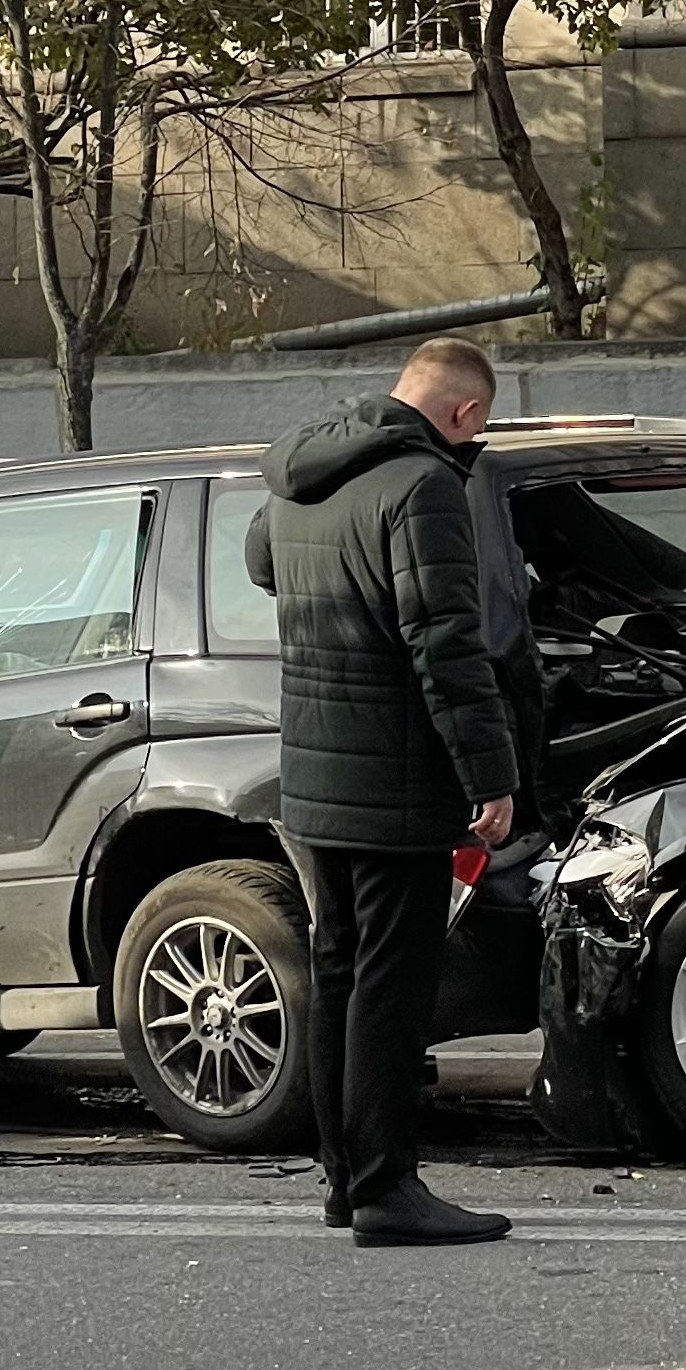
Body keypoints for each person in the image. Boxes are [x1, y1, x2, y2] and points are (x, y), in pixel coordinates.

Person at [245, 334, 522, 1249]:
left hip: (315, 777)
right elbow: (445, 644)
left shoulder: (302, 474)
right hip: (396, 780)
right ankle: (386, 1190)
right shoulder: (423, 486)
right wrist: (489, 774)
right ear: (465, 413)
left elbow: (262, 563)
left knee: (339, 976)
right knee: (392, 993)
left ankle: (343, 1181)